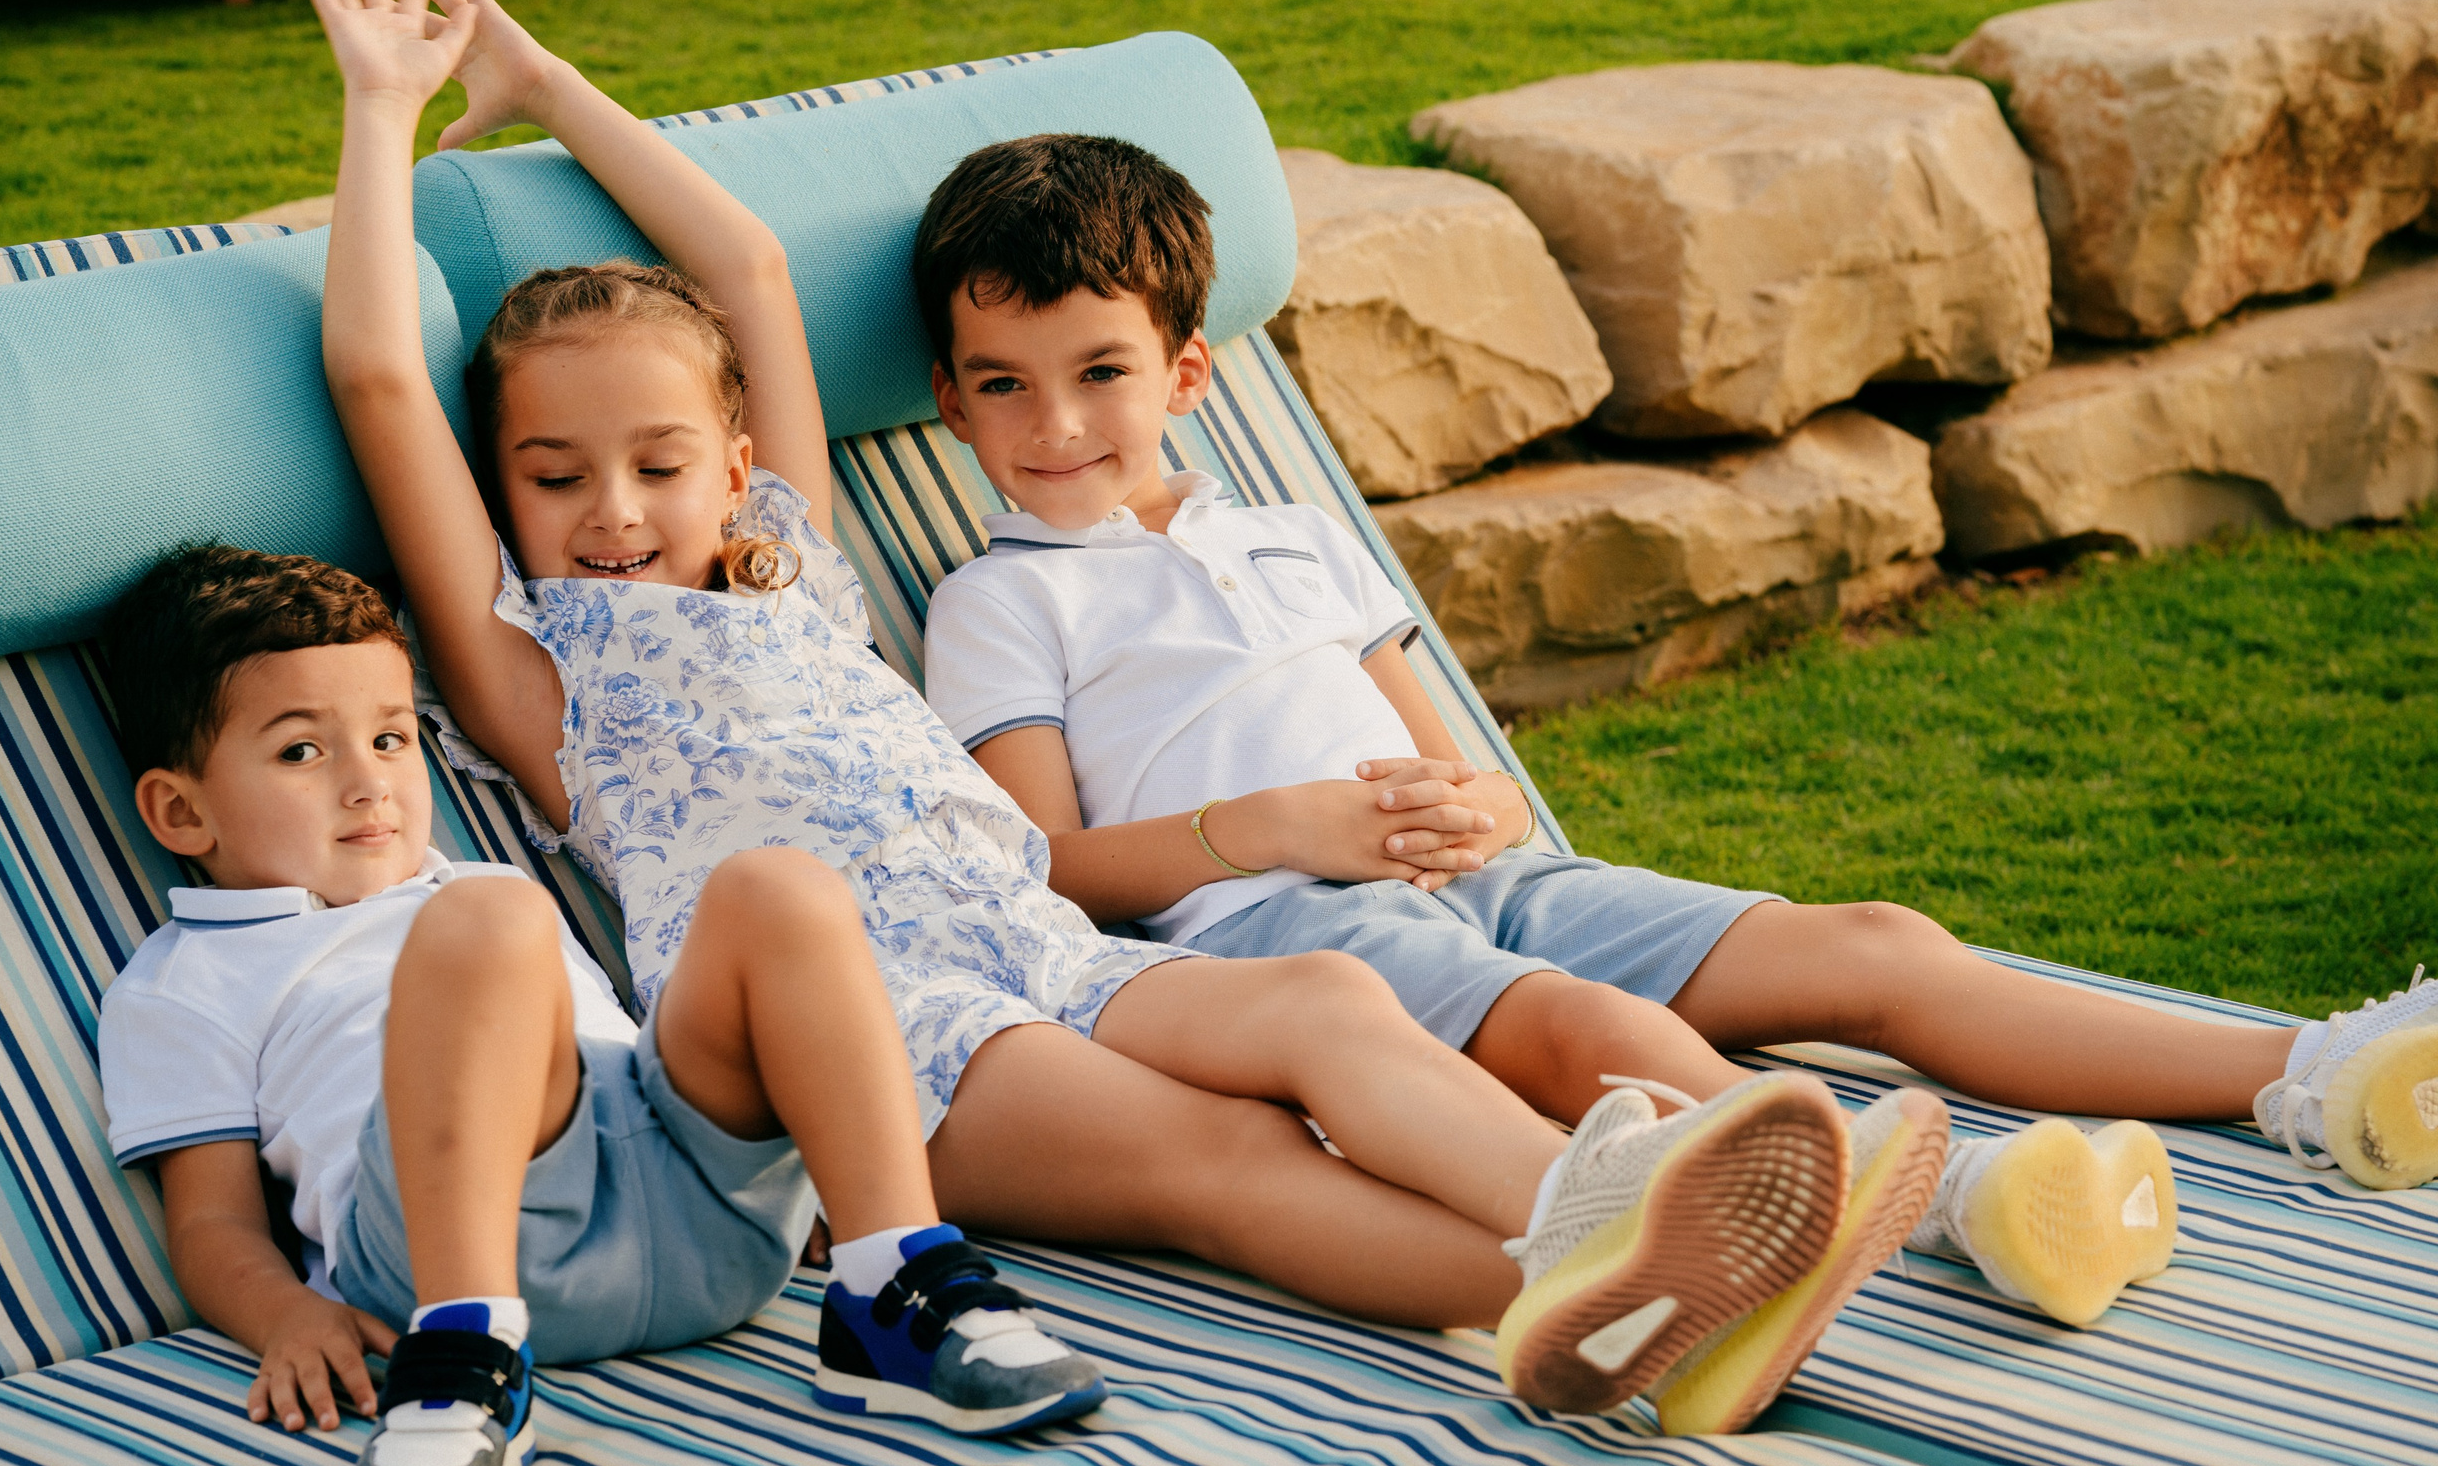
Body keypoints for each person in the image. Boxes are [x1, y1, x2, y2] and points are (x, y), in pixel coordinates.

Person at [308, 0, 1901, 1438]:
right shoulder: (545, 670)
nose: (613, 509)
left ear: (733, 463)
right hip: (878, 1036)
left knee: (1330, 1002)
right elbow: (380, 376)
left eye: (659, 463)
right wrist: (382, 107)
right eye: (552, 474)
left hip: (1047, 944)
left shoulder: (798, 560)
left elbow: (748, 264)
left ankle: (1616, 1211)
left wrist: (533, 77)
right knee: (1227, 1151)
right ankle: (1592, 1296)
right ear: (500, 494)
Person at [914, 131, 2438, 1361]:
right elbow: (1048, 868)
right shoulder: (1000, 601)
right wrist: (1280, 829)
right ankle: (1959, 1194)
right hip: (1288, 924)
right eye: (1004, 384)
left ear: (1184, 369)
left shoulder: (1293, 535)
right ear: (953, 400)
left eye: (1100, 370)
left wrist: (1484, 799)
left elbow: (1456, 748)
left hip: (1493, 875)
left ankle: (2304, 1072)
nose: (1055, 424)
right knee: (1594, 1032)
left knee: (1871, 942)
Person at [97, 544, 1110, 1466]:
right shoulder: (188, 978)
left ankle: (889, 1274)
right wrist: (281, 1314)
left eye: (394, 739)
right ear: (181, 810)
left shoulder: (466, 880)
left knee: (776, 884)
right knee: (492, 922)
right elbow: (211, 1219)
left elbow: (634, 1061)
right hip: (460, 1250)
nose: (370, 785)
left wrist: (796, 1149)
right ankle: (464, 1370)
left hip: (701, 1220)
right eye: (302, 752)